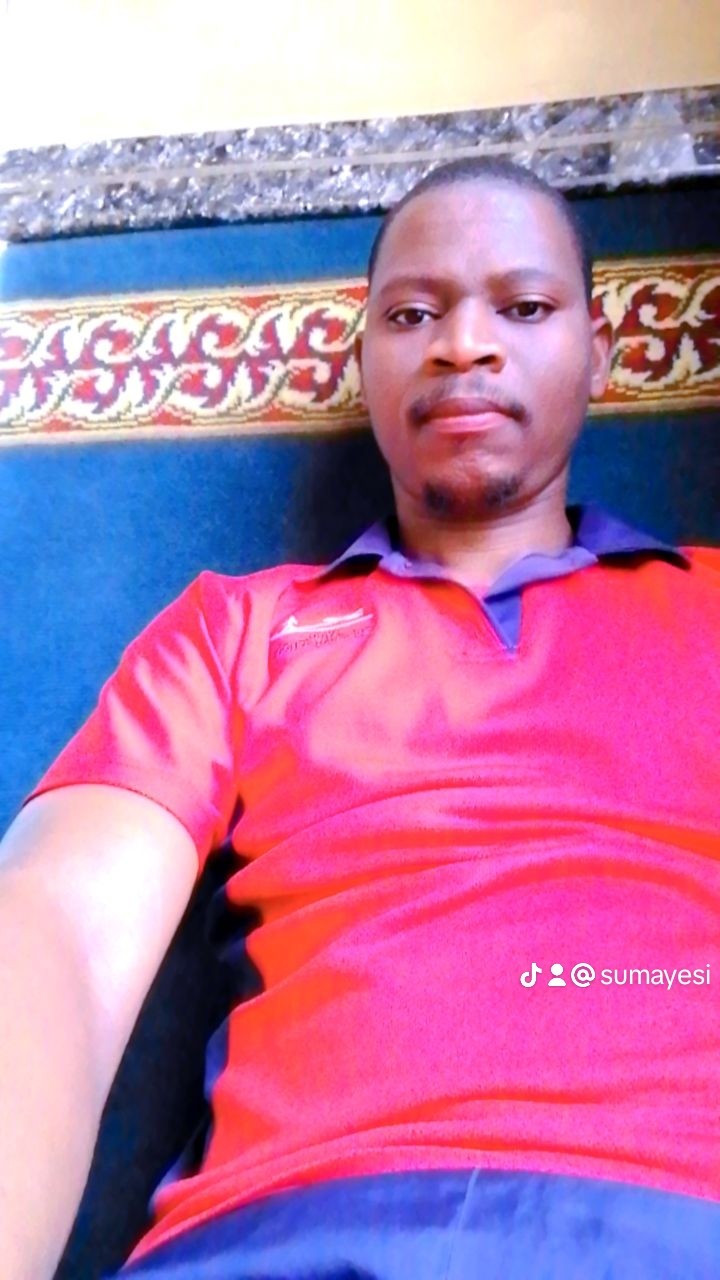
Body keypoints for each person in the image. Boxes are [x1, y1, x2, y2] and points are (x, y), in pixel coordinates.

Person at [1, 157, 719, 1280]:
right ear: (367, 360)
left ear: (599, 354)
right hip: (278, 1236)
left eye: (524, 308)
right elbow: (56, 933)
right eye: (413, 314)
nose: (463, 345)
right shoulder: (233, 631)